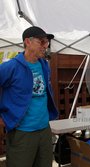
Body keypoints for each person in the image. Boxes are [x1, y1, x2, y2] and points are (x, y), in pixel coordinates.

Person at [0, 26, 58, 167]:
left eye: (47, 42)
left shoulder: (44, 65)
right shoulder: (10, 67)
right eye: (42, 41)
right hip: (22, 132)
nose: (46, 45)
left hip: (44, 129)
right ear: (28, 42)